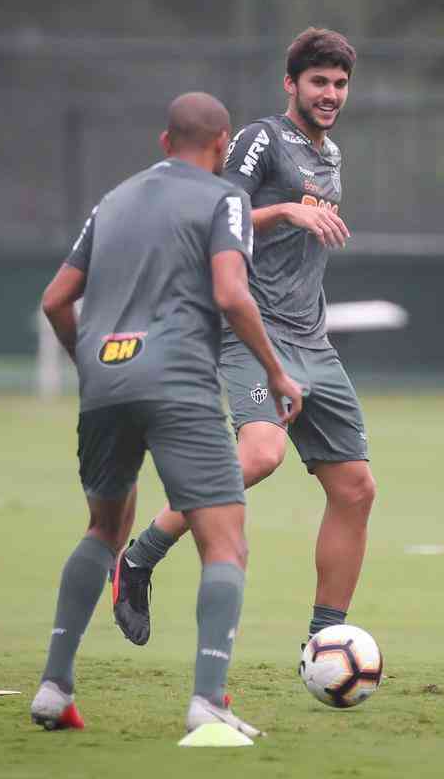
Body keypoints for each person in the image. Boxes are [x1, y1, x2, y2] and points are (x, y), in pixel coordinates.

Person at [29, 92, 303, 736]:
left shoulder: (113, 200)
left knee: (104, 528)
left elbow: (55, 300)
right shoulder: (225, 198)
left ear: (163, 142)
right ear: (222, 145)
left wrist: (89, 364)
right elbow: (232, 293)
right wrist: (275, 370)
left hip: (104, 378)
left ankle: (53, 686)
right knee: (225, 540)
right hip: (177, 379)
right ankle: (208, 703)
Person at [112, 28, 376, 651]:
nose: (330, 94)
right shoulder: (263, 139)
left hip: (313, 339)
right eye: (319, 82)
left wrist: (302, 219)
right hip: (251, 329)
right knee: (260, 454)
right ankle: (140, 557)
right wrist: (284, 211)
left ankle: (326, 642)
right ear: (292, 84)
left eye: (340, 84)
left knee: (355, 489)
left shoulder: (331, 155)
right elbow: (212, 212)